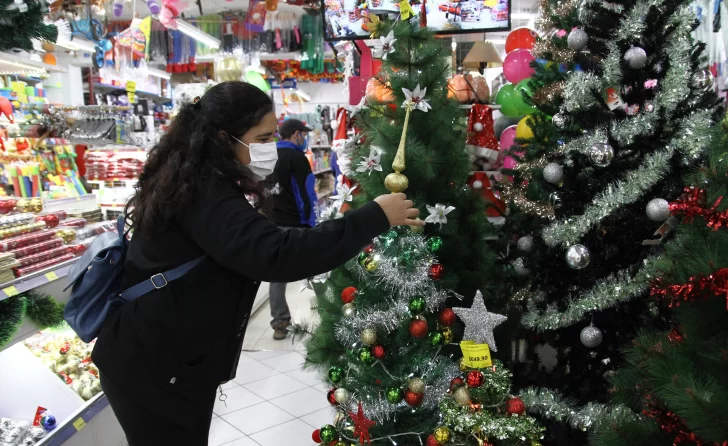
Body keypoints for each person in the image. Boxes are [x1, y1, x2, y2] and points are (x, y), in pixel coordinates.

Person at [91, 81, 421, 445]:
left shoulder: (196, 177)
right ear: (222, 137)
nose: (271, 148)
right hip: (152, 366)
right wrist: (373, 217)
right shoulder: (204, 191)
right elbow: (275, 253)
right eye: (262, 139)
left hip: (166, 359)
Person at [267, 118, 316, 340]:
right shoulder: (296, 157)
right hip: (297, 224)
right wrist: (311, 222)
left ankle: (279, 323)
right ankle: (330, 312)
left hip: (272, 223)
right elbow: (306, 192)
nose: (304, 139)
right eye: (303, 135)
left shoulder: (268, 156)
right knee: (317, 269)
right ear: (296, 134)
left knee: (277, 276)